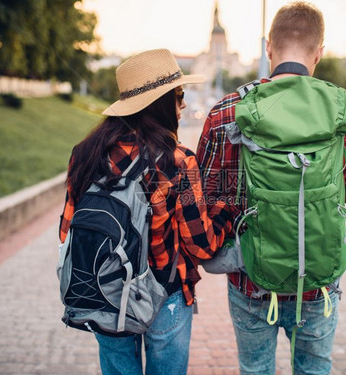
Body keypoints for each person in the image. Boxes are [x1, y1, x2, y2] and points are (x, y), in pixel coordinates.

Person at [196, 2, 346, 375]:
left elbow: (205, 199)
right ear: (318, 53)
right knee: (313, 369)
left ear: (269, 49)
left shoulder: (227, 113)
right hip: (319, 283)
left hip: (251, 280)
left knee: (255, 369)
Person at [59, 49, 234, 375]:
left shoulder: (84, 153)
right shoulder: (178, 160)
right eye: (178, 96)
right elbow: (202, 245)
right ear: (161, 103)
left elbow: (67, 230)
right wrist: (225, 209)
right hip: (163, 296)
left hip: (103, 292)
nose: (182, 105)